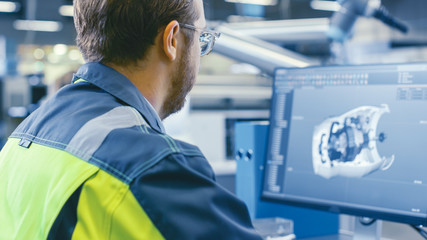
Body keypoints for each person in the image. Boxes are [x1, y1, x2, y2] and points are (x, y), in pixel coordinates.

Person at [0, 0, 262, 239]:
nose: (200, 53)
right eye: (200, 37)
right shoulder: (154, 168)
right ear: (172, 39)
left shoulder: (22, 137)